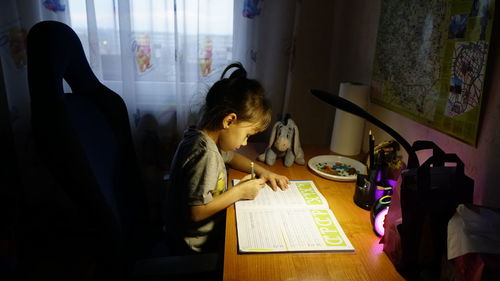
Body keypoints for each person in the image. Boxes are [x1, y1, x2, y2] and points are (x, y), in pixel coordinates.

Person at [164, 62, 290, 254]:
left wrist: (264, 171)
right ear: (229, 120)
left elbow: (231, 158)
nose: (246, 143)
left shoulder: (203, 138)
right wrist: (239, 192)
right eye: (247, 135)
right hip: (195, 246)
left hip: (193, 235)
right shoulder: (205, 154)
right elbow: (196, 212)